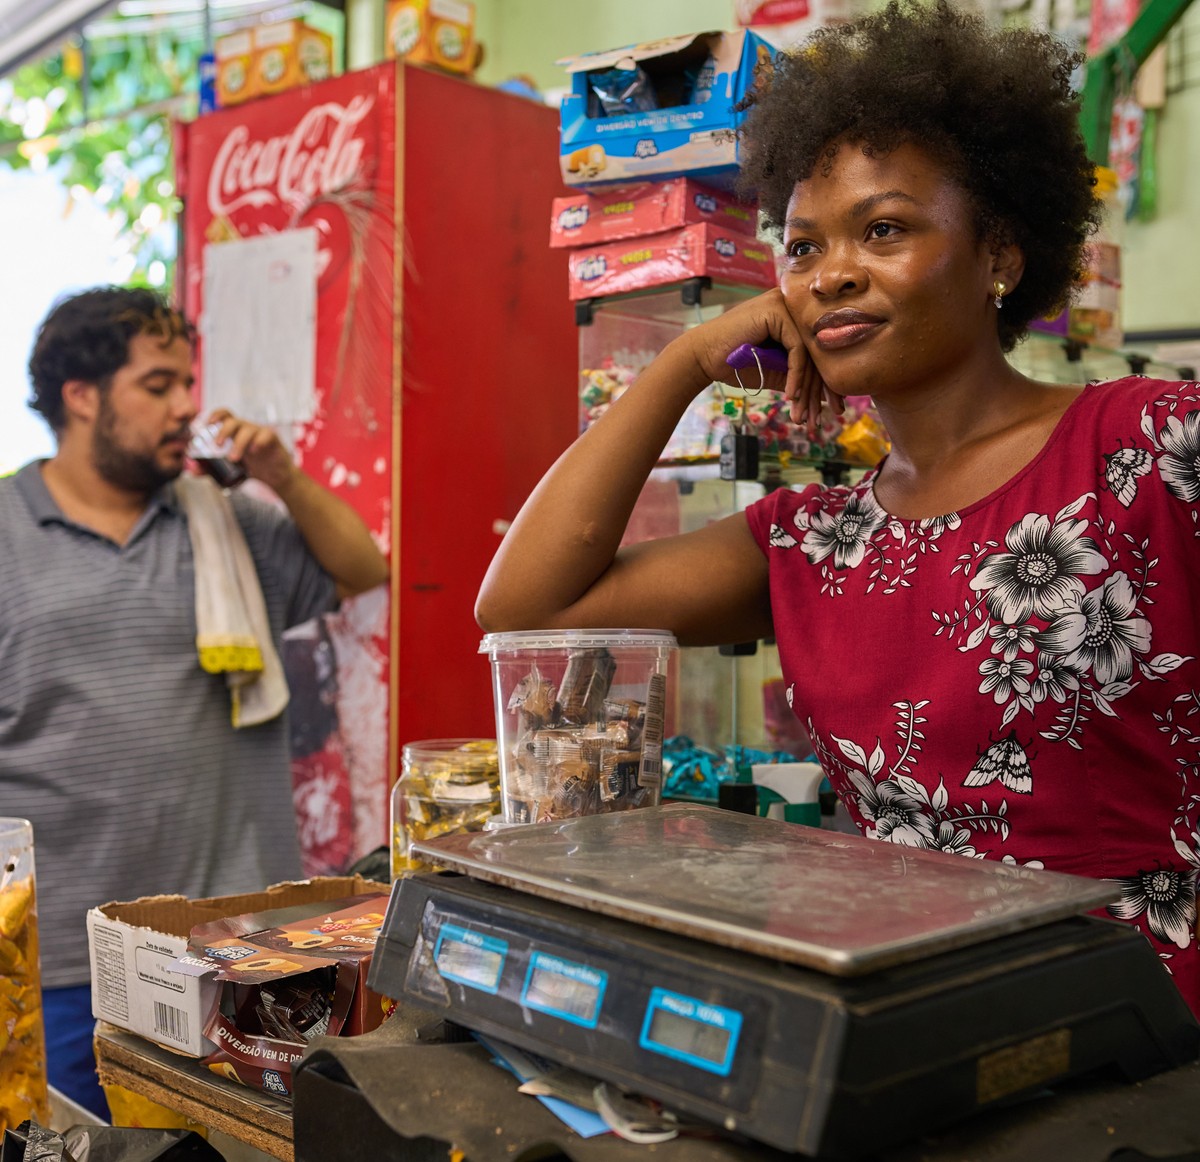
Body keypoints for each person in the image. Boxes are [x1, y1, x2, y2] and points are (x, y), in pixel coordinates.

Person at [477, 0, 1200, 1020]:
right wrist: (688, 359)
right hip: (905, 1028)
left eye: (885, 229)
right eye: (803, 247)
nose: (832, 275)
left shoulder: (1150, 444)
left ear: (999, 251)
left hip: (1140, 1036)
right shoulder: (815, 539)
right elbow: (527, 610)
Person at [2, 286, 389, 1114]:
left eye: (188, 381)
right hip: (68, 961)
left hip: (239, 946)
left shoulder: (225, 522)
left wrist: (280, 475)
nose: (187, 406)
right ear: (81, 396)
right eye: (157, 385)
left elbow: (364, 569)